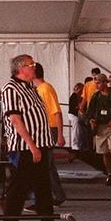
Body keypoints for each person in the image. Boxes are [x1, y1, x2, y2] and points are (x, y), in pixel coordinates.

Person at [0, 54, 63, 221]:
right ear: (21, 68)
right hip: (25, 147)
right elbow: (16, 120)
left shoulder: (30, 87)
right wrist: (32, 146)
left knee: (43, 188)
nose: (34, 67)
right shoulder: (11, 89)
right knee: (19, 189)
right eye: (31, 64)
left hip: (41, 145)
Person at [30, 63, 66, 203]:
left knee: (46, 164)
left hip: (49, 129)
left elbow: (56, 112)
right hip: (44, 129)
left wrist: (60, 134)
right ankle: (54, 195)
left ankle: (55, 195)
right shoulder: (38, 89)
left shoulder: (45, 89)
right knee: (45, 165)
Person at [84, 74, 111, 184]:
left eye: (99, 83)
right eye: (96, 83)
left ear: (105, 83)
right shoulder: (95, 97)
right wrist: (91, 120)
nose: (97, 85)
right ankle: (110, 173)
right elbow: (89, 112)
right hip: (100, 126)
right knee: (104, 152)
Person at [66, 82, 83, 150]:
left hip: (75, 115)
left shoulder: (78, 96)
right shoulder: (74, 96)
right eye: (81, 90)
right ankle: (74, 145)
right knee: (76, 129)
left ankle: (78, 144)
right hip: (73, 115)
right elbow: (75, 107)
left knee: (78, 129)